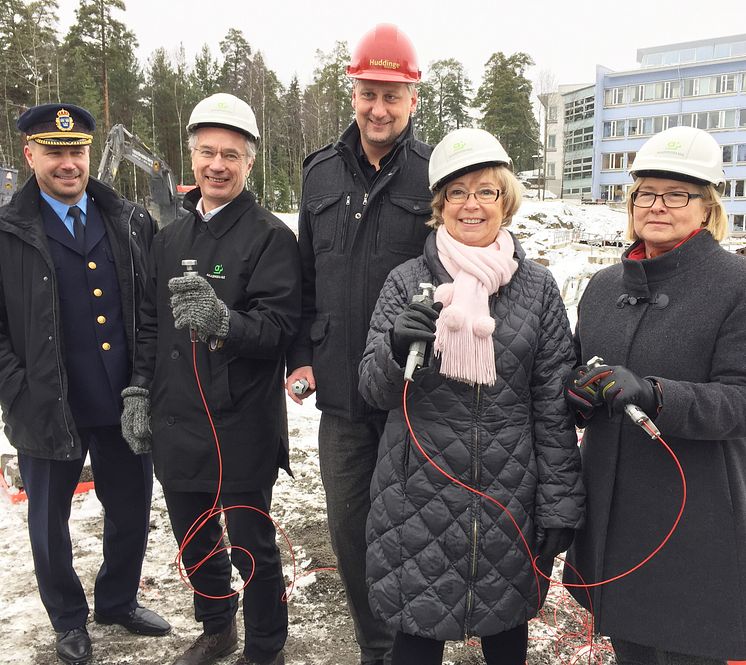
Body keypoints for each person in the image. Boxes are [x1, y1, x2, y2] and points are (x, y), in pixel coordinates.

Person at [358, 127, 585, 665]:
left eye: (486, 191)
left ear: (506, 200)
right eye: (457, 192)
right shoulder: (407, 281)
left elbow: (552, 405)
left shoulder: (537, 289)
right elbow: (372, 388)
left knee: (506, 636)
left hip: (509, 495)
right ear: (439, 205)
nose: (471, 205)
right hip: (418, 496)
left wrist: (558, 504)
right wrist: (396, 347)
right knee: (416, 637)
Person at [121, 93, 301, 665]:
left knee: (251, 547)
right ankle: (217, 624)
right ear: (190, 156)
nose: (216, 165)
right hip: (177, 417)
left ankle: (266, 645)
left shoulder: (270, 236)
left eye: (230, 154)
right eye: (206, 152)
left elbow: (278, 328)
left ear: (249, 162)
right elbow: (150, 325)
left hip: (239, 420)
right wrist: (138, 390)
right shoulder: (168, 238)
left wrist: (225, 323)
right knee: (194, 539)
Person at [562, 125, 746, 664]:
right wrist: (578, 397)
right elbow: (580, 373)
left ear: (707, 205)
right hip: (614, 525)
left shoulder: (736, 285)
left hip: (696, 524)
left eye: (676, 194)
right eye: (646, 192)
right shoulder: (601, 288)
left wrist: (655, 394)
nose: (656, 205)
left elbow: (740, 401)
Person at [284, 23, 433, 665]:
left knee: (415, 527)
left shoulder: (434, 175)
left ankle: (414, 644)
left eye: (392, 96)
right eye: (369, 93)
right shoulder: (318, 174)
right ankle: (377, 646)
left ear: (413, 100)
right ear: (353, 93)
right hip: (342, 395)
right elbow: (304, 278)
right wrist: (301, 356)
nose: (379, 108)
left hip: (412, 394)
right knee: (349, 530)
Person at [0, 103, 169, 665]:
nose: (68, 163)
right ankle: (68, 619)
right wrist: (18, 388)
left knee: (132, 508)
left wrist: (142, 383)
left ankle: (117, 601)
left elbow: (148, 310)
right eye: (54, 152)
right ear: (30, 155)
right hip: (46, 405)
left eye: (76, 151)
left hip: (122, 401)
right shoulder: (7, 232)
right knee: (50, 524)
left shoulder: (126, 219)